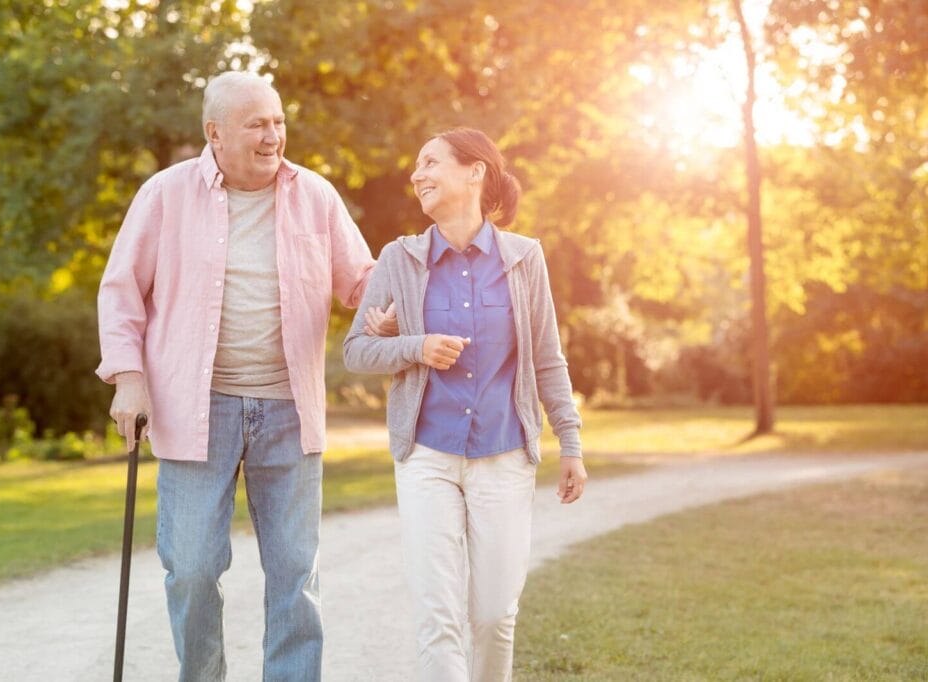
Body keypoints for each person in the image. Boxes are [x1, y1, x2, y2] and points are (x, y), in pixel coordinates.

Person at [96, 71, 378, 682]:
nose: (273, 135)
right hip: (197, 408)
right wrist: (128, 376)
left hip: (289, 408)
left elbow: (361, 281)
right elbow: (121, 291)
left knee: (296, 573)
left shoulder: (315, 195)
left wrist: (404, 286)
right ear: (215, 133)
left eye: (278, 121)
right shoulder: (166, 195)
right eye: (256, 124)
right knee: (193, 568)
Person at [343, 127, 588, 681]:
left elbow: (547, 358)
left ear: (475, 171)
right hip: (426, 456)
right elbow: (356, 350)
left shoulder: (523, 258)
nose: (417, 175)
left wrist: (570, 443)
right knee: (438, 616)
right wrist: (416, 347)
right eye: (417, 165)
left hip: (503, 454)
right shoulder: (399, 259)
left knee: (495, 615)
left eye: (431, 162)